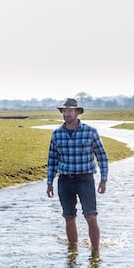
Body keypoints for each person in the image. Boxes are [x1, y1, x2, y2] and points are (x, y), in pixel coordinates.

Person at [46, 98, 108, 256]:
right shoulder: (57, 134)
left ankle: (95, 253)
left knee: (91, 216)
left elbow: (102, 156)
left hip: (85, 179)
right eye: (64, 111)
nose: (66, 114)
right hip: (64, 180)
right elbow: (52, 160)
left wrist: (103, 179)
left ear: (77, 112)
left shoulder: (90, 131)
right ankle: (72, 253)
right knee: (69, 217)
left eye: (69, 111)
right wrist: (49, 182)